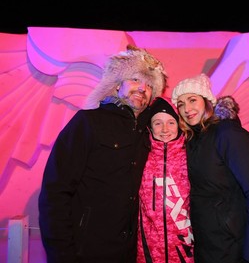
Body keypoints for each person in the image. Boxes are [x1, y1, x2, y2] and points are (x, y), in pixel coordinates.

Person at [38, 45, 168, 263]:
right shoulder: (88, 123)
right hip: (86, 251)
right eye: (135, 79)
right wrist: (61, 255)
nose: (142, 88)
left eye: (149, 85)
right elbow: (56, 192)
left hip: (128, 253)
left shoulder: (147, 133)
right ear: (117, 85)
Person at [171, 73, 249, 263]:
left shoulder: (228, 135)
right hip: (205, 244)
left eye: (192, 100)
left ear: (206, 101)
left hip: (231, 246)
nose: (187, 109)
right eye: (180, 104)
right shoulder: (191, 139)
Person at [137, 96, 194, 263]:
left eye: (170, 122)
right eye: (157, 123)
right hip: (147, 251)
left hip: (185, 250)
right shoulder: (141, 156)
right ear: (150, 127)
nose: (164, 129)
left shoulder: (191, 155)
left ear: (179, 124)